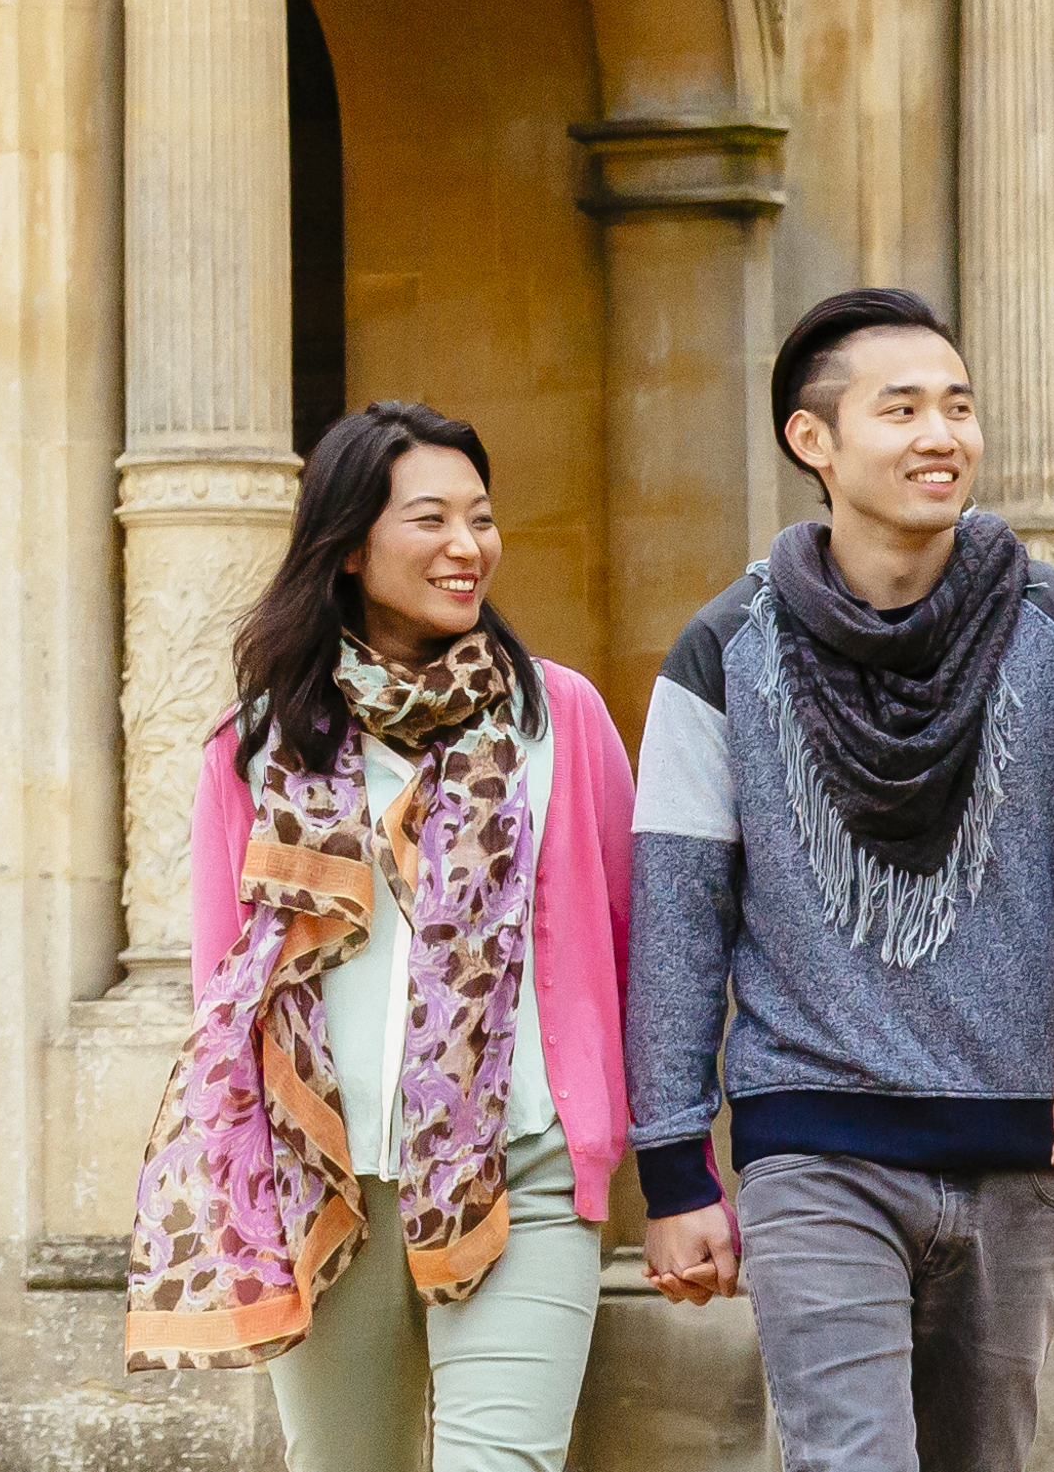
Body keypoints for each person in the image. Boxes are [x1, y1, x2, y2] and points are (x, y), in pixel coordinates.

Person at [627, 288, 1054, 1472]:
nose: (941, 433)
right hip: (812, 1149)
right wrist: (675, 1164)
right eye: (903, 408)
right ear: (811, 440)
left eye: (958, 405)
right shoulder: (715, 654)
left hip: (1011, 1150)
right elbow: (677, 915)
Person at [124, 399, 642, 1472]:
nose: (466, 546)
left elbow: (628, 939)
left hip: (522, 1170)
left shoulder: (561, 719)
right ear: (351, 544)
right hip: (327, 1181)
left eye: (480, 517)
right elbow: (223, 986)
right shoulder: (255, 745)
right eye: (430, 519)